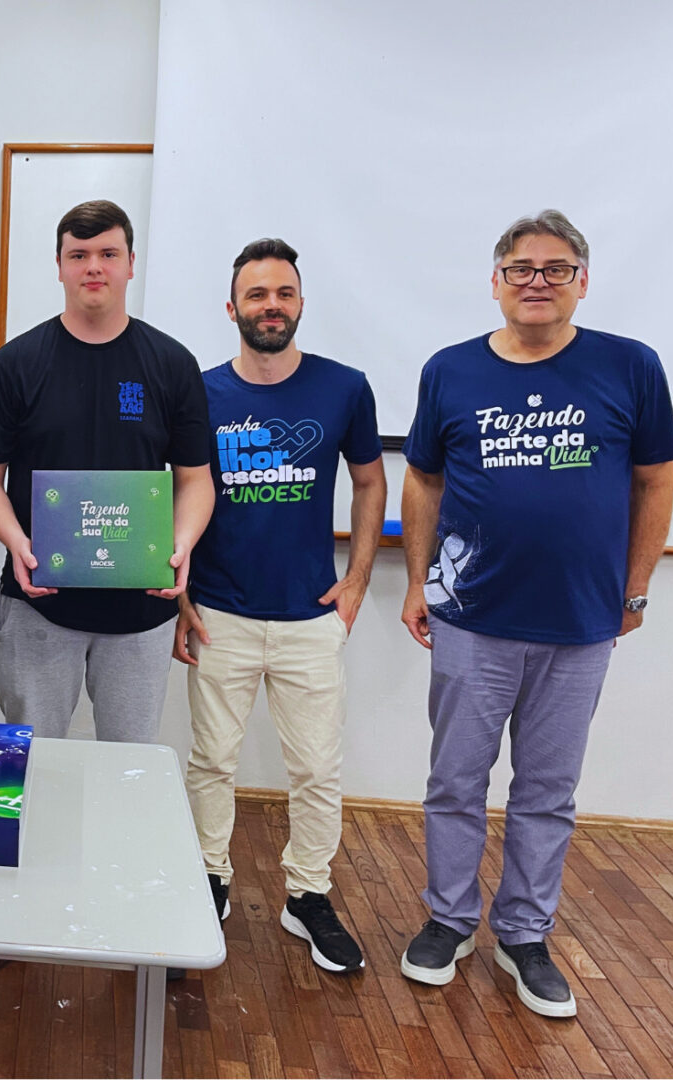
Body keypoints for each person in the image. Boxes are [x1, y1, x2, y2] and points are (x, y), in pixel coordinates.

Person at [398, 211, 673, 1017]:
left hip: (581, 622)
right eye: (521, 268)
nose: (537, 282)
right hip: (469, 616)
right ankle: (449, 920)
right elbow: (423, 480)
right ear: (496, 281)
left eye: (556, 269)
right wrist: (417, 583)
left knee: (548, 791)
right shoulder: (450, 370)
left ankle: (524, 935)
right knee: (455, 780)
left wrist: (635, 587)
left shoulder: (630, 366)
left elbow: (656, 479)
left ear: (581, 282)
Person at [173, 239, 385, 975]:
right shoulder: (199, 392)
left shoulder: (344, 388)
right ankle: (210, 879)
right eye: (257, 294)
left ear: (299, 303)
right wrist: (181, 597)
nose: (271, 306)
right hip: (219, 612)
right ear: (232, 308)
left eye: (283, 293)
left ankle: (308, 895)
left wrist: (356, 580)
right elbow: (180, 494)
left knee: (317, 769)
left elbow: (369, 482)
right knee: (211, 762)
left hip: (309, 618)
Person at [0, 199, 215, 741]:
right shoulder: (14, 365)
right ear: (59, 266)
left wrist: (180, 546)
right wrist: (17, 543)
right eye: (78, 255)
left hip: (141, 610)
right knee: (32, 762)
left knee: (129, 766)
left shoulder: (173, 364)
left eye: (108, 253)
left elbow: (196, 480)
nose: (93, 267)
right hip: (38, 602)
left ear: (131, 264)